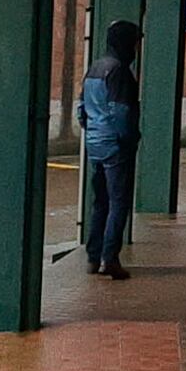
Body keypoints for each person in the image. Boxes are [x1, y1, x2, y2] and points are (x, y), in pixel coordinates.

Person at [75, 19, 143, 281]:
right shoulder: (120, 72)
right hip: (115, 145)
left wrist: (91, 130)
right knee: (118, 202)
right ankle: (110, 258)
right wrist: (131, 137)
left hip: (95, 142)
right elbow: (121, 112)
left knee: (99, 201)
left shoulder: (95, 68)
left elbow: (81, 108)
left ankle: (93, 256)